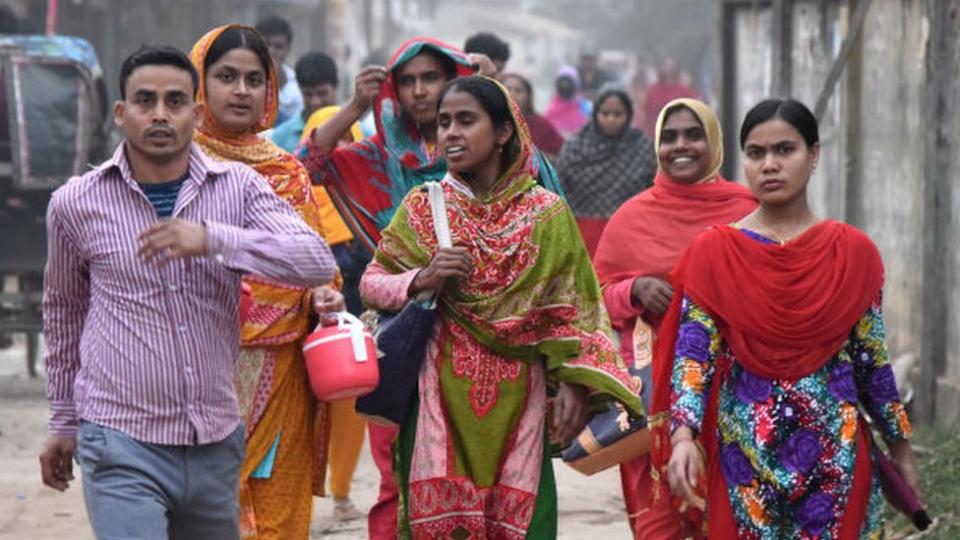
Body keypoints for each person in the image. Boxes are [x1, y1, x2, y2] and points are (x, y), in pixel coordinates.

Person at [38, 44, 336, 539]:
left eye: (175, 101)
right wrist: (64, 423)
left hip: (214, 442)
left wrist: (213, 239)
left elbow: (315, 260)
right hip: (119, 439)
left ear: (195, 113)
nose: (160, 114)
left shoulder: (238, 188)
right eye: (145, 101)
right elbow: (65, 314)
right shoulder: (76, 203)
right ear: (121, 113)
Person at [360, 75, 643, 538]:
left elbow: (575, 309)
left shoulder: (547, 214)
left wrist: (575, 384)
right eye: (445, 122)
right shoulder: (422, 208)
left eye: (466, 121)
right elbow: (372, 284)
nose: (451, 132)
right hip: (437, 401)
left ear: (504, 132)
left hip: (522, 404)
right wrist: (423, 278)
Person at [303, 37, 564, 539]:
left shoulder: (509, 173)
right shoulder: (381, 162)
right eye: (408, 82)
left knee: (505, 483)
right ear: (393, 92)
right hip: (408, 334)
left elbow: (545, 208)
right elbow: (309, 167)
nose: (420, 92)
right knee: (397, 477)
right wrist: (358, 104)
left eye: (432, 79)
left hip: (502, 344)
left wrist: (493, 94)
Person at [649, 98, 921, 538]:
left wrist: (902, 450)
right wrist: (683, 437)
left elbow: (873, 363)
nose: (769, 165)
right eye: (756, 154)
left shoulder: (852, 254)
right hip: (745, 460)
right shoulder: (714, 253)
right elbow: (693, 357)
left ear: (814, 155)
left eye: (785, 150)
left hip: (838, 458)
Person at [188, 25, 345, 539]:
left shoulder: (287, 173)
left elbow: (318, 263)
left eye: (254, 79)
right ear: (199, 83)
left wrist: (323, 294)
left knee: (276, 506)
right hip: (193, 365)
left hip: (280, 371)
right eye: (226, 76)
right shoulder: (174, 166)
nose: (241, 90)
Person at [593, 98, 757, 539]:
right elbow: (595, 296)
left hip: (734, 392)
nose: (680, 146)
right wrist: (635, 289)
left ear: (714, 143)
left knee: (728, 517)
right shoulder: (632, 217)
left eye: (693, 135)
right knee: (658, 522)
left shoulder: (747, 210)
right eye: (669, 137)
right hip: (652, 396)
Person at [301, 104, 369, 522]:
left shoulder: (372, 200)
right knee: (301, 413)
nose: (341, 148)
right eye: (331, 137)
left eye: (350, 138)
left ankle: (341, 493)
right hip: (300, 331)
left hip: (354, 330)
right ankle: (300, 496)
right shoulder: (290, 197)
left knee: (350, 410)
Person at [556, 86, 657, 256]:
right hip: (580, 232)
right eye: (605, 113)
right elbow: (560, 189)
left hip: (630, 232)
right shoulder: (575, 146)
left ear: (629, 115)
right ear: (595, 113)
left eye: (618, 114)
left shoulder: (641, 147)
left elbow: (650, 190)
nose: (611, 119)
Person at [269, 51, 339, 153]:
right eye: (308, 94)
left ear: (335, 86)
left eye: (322, 94)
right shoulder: (281, 137)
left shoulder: (359, 132)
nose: (315, 102)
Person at [501, 71, 564, 158]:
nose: (512, 94)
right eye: (507, 89)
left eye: (518, 91)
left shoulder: (541, 125)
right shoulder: (490, 122)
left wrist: (532, 158)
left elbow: (559, 155)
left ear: (528, 96)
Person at [255, 15, 302, 126]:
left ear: (288, 49)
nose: (271, 51)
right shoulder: (241, 79)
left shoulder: (298, 84)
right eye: (266, 44)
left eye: (278, 47)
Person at [641, 58, 700, 138]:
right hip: (655, 134)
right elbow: (646, 112)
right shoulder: (652, 90)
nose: (668, 70)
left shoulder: (685, 91)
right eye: (665, 66)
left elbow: (695, 111)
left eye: (671, 67)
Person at [544, 65, 591, 139]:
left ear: (576, 84)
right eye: (562, 82)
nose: (565, 85)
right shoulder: (550, 109)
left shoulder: (586, 107)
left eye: (568, 82)